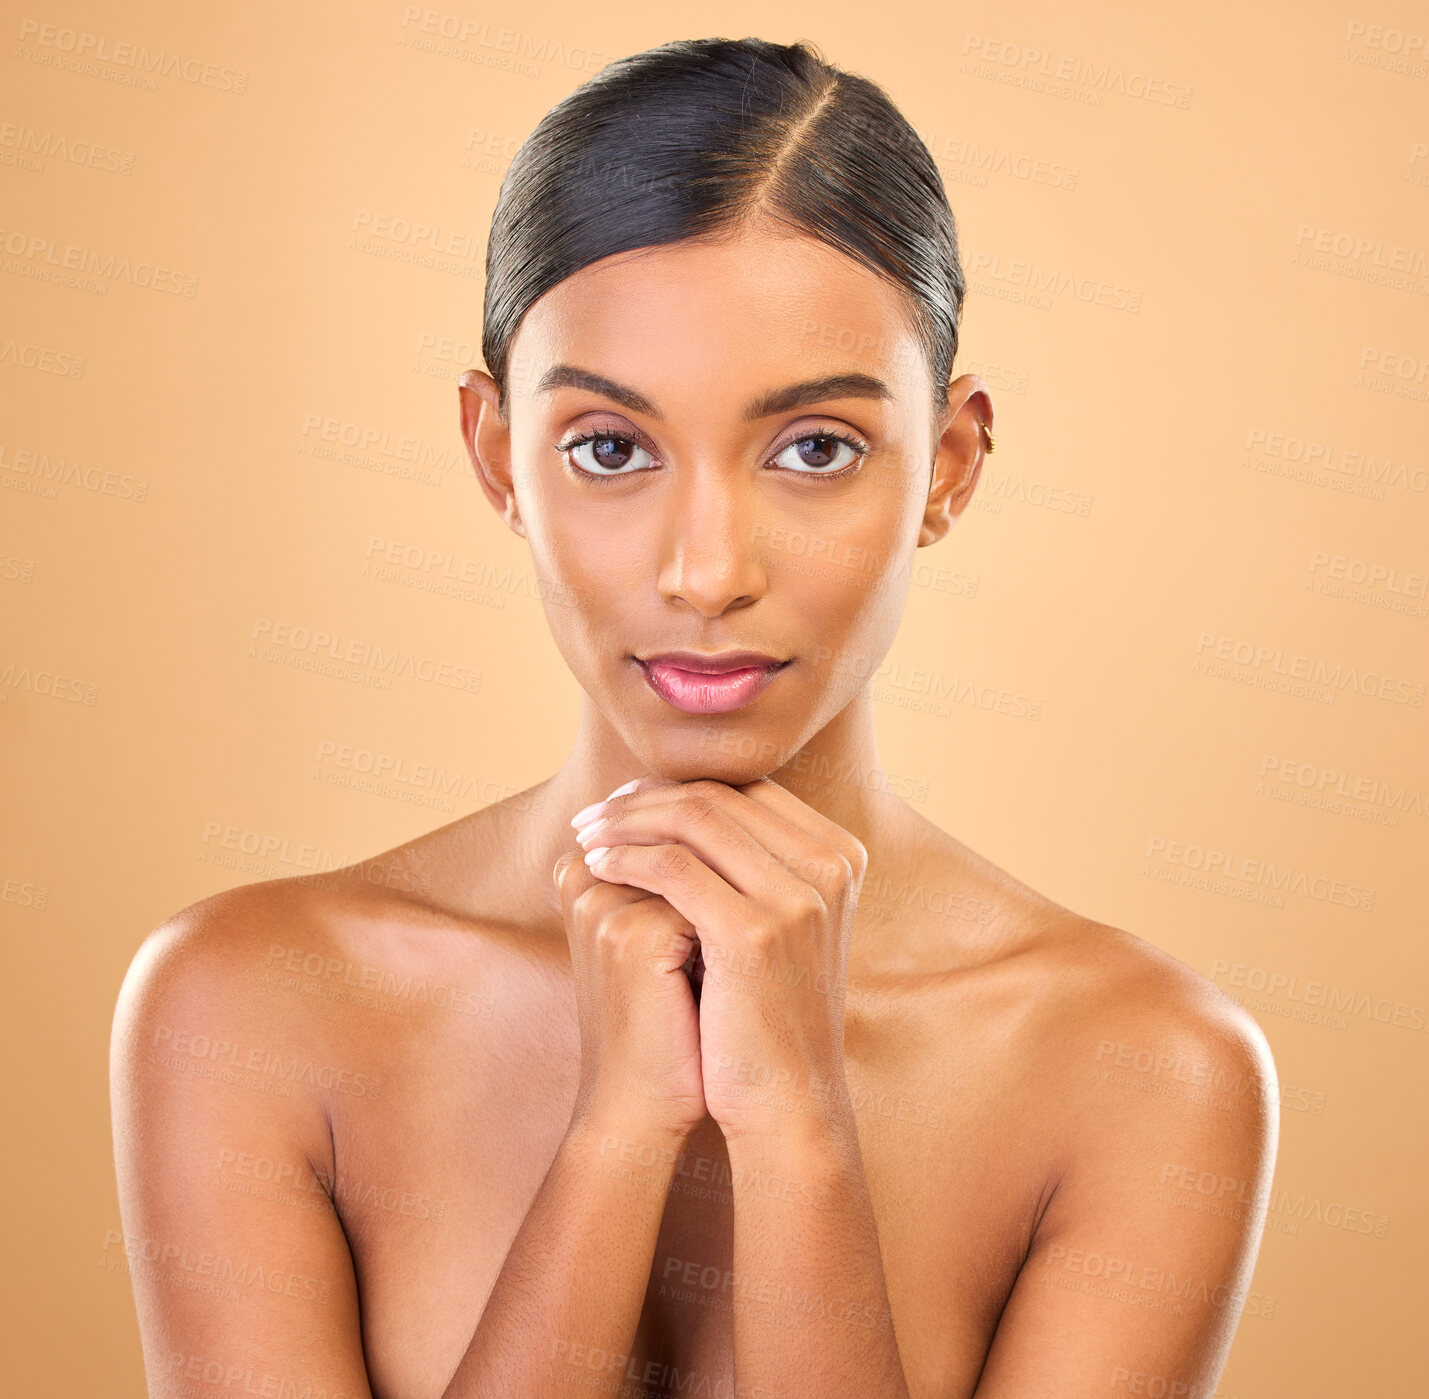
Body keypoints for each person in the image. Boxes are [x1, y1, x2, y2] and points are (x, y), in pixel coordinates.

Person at [110, 35, 1278, 1399]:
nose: (706, 571)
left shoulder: (1144, 1072)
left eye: (814, 450)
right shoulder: (248, 1006)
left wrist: (796, 1129)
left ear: (947, 468)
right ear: (498, 457)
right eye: (610, 449)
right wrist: (617, 1131)